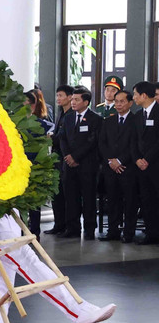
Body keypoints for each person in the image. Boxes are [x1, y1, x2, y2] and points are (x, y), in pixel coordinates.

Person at [58, 86, 102, 239]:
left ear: (86, 102)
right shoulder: (68, 117)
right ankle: (72, 228)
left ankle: (89, 229)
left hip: (87, 165)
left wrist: (76, 157)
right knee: (70, 197)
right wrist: (67, 156)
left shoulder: (96, 119)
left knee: (89, 198)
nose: (73, 102)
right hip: (69, 165)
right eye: (72, 99)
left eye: (76, 99)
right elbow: (62, 138)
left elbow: (92, 142)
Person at [99, 90, 138, 243]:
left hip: (128, 168)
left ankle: (129, 233)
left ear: (130, 103)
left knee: (130, 201)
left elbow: (135, 145)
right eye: (116, 101)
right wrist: (111, 161)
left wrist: (120, 161)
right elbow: (102, 143)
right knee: (112, 200)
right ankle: (113, 231)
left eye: (122, 101)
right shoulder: (108, 121)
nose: (118, 104)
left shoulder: (136, 121)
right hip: (110, 168)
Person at [45, 85, 75, 236]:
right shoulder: (60, 113)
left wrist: (52, 138)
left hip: (66, 158)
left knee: (67, 194)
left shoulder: (72, 115)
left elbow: (66, 138)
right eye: (57, 95)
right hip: (56, 158)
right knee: (57, 194)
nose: (58, 98)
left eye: (61, 95)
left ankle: (69, 226)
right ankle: (58, 224)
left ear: (70, 97)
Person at [25, 90, 54, 238]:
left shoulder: (41, 124)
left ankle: (34, 232)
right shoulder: (13, 123)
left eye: (25, 104)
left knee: (34, 203)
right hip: (17, 168)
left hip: (35, 167)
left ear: (32, 105)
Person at [133, 81, 159, 245]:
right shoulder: (137, 115)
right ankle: (151, 233)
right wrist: (137, 159)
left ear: (144, 95)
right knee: (147, 200)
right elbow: (133, 141)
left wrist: (147, 159)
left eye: (135, 94)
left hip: (155, 164)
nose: (134, 97)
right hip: (141, 167)